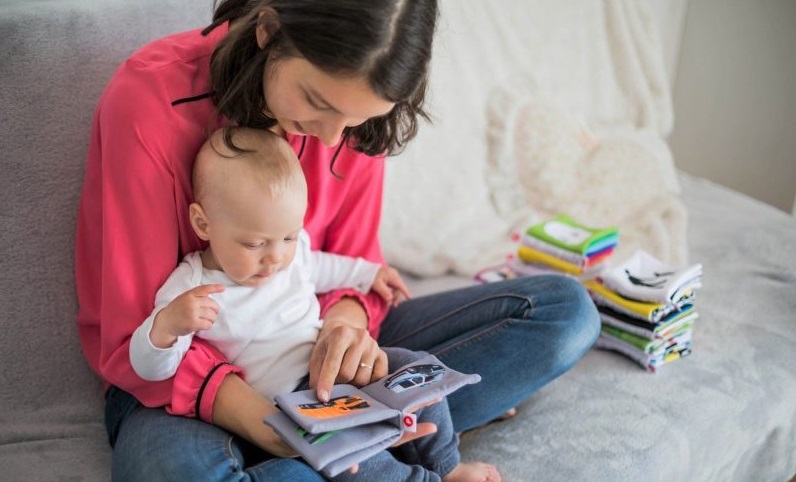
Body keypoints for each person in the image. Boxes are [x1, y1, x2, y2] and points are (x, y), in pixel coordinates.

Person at [75, 0, 600, 480]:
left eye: (360, 118)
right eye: (315, 101)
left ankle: (351, 442)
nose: (330, 138)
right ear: (268, 28)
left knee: (565, 313)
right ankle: (354, 448)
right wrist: (268, 423)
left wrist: (344, 337)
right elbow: (134, 333)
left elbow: (351, 265)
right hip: (180, 382)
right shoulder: (147, 102)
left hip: (310, 346)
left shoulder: (351, 120)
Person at [127, 126, 499, 481]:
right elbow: (150, 368)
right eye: (254, 244)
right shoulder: (192, 286)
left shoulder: (290, 251)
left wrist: (368, 274)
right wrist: (167, 327)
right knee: (354, 457)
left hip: (336, 365)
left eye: (288, 237)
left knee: (419, 368)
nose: (275, 258)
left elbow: (322, 266)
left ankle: (447, 464)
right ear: (203, 223)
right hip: (293, 403)